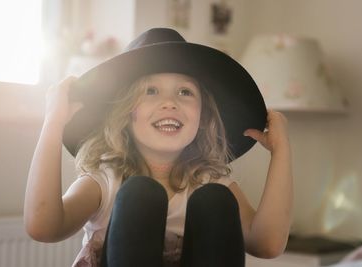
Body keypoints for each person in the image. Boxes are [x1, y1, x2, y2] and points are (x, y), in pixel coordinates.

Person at [24, 28, 293, 267]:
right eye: (151, 91)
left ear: (203, 118)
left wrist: (280, 152)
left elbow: (267, 244)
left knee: (216, 201)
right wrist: (53, 123)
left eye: (185, 92)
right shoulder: (105, 181)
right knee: (140, 195)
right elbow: (44, 227)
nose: (169, 103)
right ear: (125, 113)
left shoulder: (210, 182)